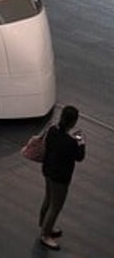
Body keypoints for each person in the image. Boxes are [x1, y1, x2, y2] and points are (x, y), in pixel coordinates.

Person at [38, 104, 85, 250]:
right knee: (56, 206)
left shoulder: (52, 130)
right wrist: (81, 142)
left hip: (48, 170)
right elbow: (80, 157)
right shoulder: (70, 142)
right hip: (60, 177)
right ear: (73, 122)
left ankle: (43, 223)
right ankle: (46, 235)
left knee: (48, 197)